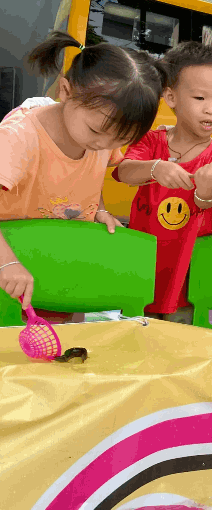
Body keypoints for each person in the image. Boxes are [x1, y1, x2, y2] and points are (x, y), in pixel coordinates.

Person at [0, 31, 164, 320]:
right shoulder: (19, 138)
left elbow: (92, 175)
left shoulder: (99, 138)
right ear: (65, 91)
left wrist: (98, 209)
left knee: (62, 347)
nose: (103, 145)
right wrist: (7, 264)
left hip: (61, 261)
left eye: (119, 139)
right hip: (11, 265)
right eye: (97, 131)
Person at [113, 42, 212, 323]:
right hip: (140, 269)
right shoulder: (151, 140)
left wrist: (206, 192)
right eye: (199, 98)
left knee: (178, 343)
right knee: (133, 338)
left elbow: (211, 200)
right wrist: (155, 168)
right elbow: (124, 172)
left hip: (186, 278)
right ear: (171, 97)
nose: (211, 110)